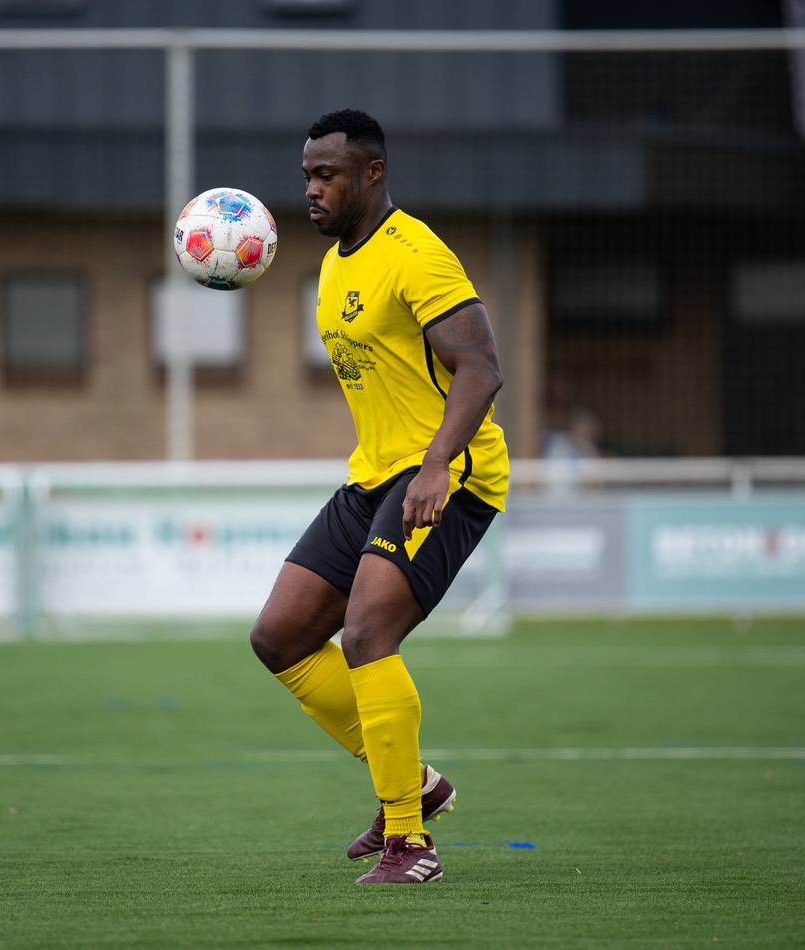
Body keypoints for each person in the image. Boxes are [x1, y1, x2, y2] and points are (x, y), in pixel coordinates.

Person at [249, 109, 509, 885]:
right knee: (280, 637)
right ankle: (417, 785)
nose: (311, 190)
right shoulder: (333, 266)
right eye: (306, 176)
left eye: (326, 174)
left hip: (447, 474)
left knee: (366, 634)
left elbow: (483, 367)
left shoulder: (417, 254)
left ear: (372, 173)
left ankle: (410, 842)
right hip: (373, 474)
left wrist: (435, 466)